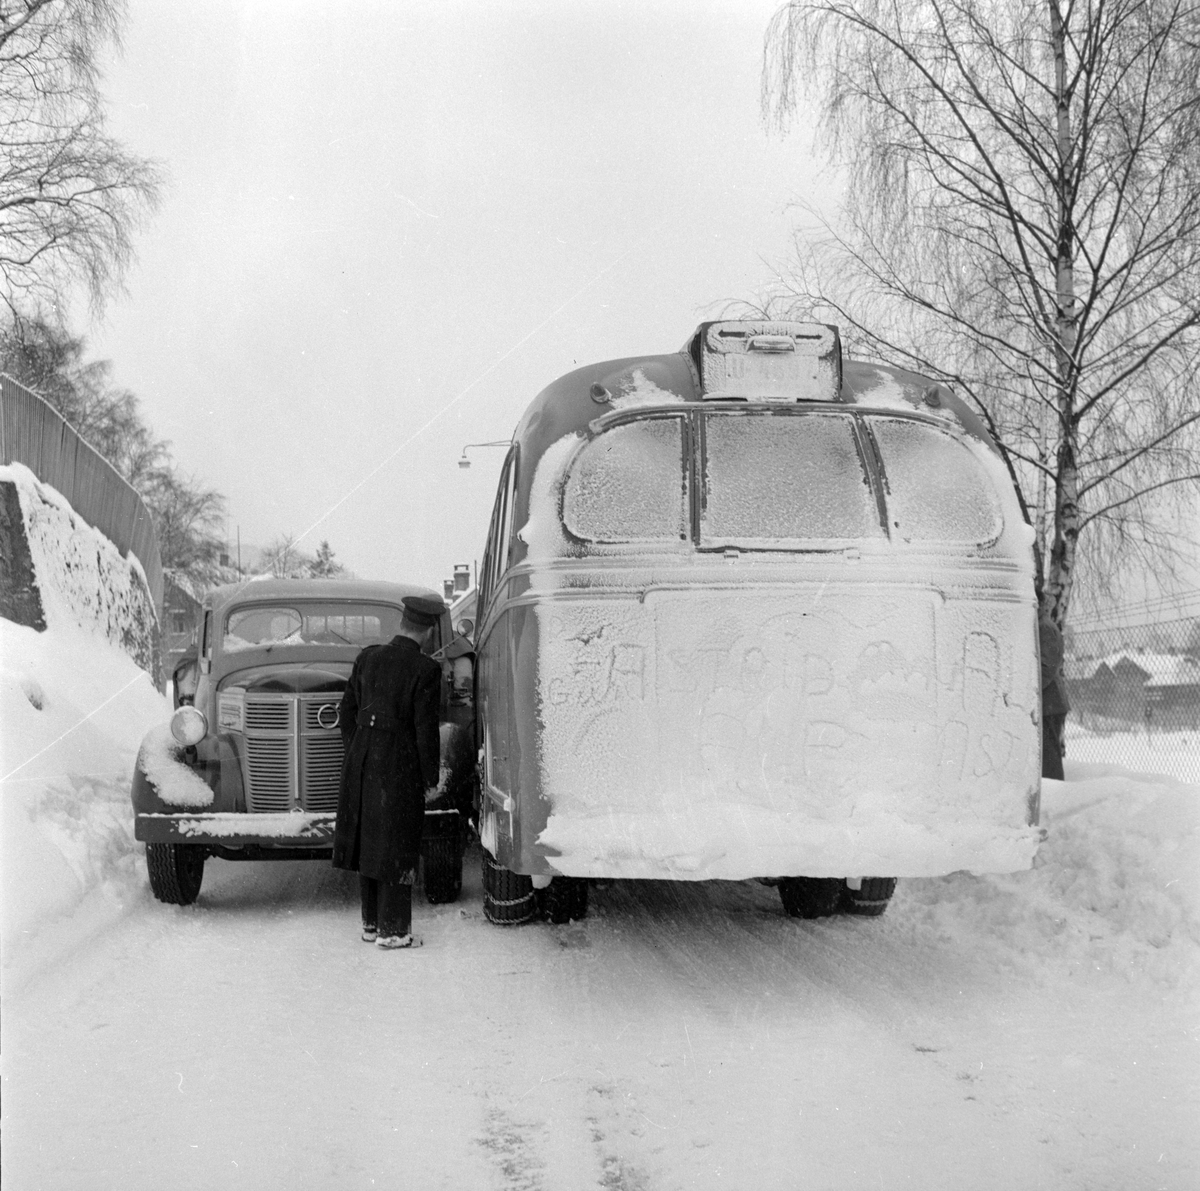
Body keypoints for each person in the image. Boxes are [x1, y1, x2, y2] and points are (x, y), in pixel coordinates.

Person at [333, 594, 444, 949]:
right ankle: (393, 931)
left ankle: (370, 924)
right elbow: (425, 730)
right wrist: (429, 777)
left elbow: (345, 712)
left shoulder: (368, 657)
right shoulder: (426, 669)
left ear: (402, 624)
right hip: (400, 765)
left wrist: (359, 747)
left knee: (369, 841)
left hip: (361, 762)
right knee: (396, 843)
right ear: (427, 632)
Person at [1039, 604, 1070, 781]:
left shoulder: (1044, 627)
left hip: (1050, 704)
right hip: (1047, 703)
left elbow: (1048, 666)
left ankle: (1055, 796)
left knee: (1049, 758)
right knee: (1046, 756)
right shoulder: (1040, 625)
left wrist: (1029, 691)